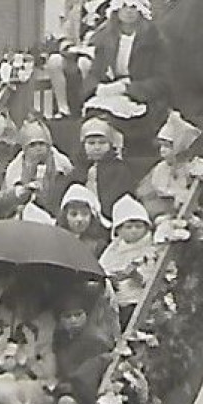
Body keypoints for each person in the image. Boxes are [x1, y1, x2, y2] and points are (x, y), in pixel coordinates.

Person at [82, 0, 171, 158]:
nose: (129, 11)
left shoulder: (155, 41)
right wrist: (97, 88)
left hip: (141, 98)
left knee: (117, 120)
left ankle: (117, 157)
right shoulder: (107, 39)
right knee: (95, 115)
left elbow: (162, 82)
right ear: (116, 11)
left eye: (133, 7)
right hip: (110, 93)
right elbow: (95, 73)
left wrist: (127, 88)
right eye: (124, 7)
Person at [48, 287, 115, 404]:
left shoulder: (96, 340)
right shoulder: (60, 340)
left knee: (67, 403)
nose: (73, 320)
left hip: (92, 392)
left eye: (78, 315)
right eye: (67, 317)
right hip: (67, 387)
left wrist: (74, 383)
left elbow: (98, 368)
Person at [100, 195, 157, 328]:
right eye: (128, 227)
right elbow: (104, 268)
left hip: (140, 299)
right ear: (119, 230)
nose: (134, 231)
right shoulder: (114, 249)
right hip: (118, 300)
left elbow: (154, 276)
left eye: (138, 226)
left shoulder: (150, 248)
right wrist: (112, 278)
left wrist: (136, 275)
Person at [134, 110, 203, 219]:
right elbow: (159, 188)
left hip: (186, 206)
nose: (163, 150)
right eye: (161, 146)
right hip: (163, 206)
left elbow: (194, 186)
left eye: (167, 147)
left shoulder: (189, 167)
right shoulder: (161, 168)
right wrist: (175, 194)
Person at [2, 119, 74, 219]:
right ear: (25, 148)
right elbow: (9, 195)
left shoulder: (61, 162)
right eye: (32, 145)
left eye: (41, 144)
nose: (38, 148)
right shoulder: (15, 167)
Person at [72, 117, 136, 224]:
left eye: (102, 143)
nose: (97, 147)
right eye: (91, 143)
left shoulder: (119, 169)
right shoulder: (78, 169)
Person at [56, 183, 110, 254]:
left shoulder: (99, 247)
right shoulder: (57, 241)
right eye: (73, 214)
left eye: (85, 214)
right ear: (65, 216)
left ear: (92, 216)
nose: (79, 219)